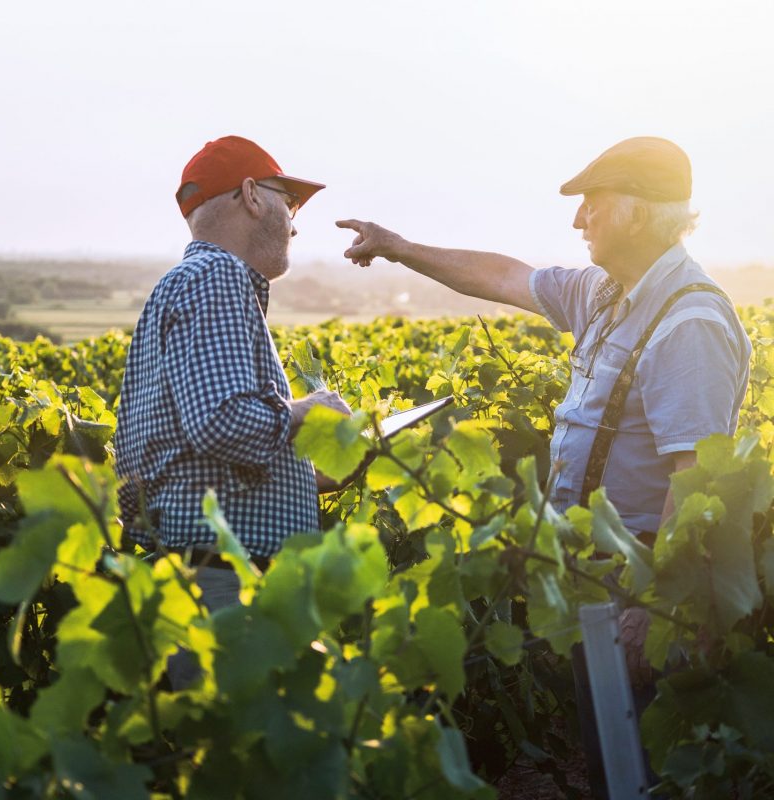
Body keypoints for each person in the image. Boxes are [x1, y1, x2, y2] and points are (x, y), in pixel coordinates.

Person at [337, 136, 751, 797]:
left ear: (638, 214)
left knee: (647, 766)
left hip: (640, 582)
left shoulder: (688, 321)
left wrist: (653, 602)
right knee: (612, 755)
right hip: (594, 577)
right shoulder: (606, 294)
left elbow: (694, 478)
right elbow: (505, 277)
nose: (577, 219)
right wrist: (399, 246)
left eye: (592, 203)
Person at [115, 135, 351, 629]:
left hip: (194, 576)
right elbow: (220, 422)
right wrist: (312, 410)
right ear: (251, 195)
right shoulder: (217, 275)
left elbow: (175, 459)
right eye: (289, 202)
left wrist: (305, 480)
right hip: (221, 587)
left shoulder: (184, 282)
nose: (294, 223)